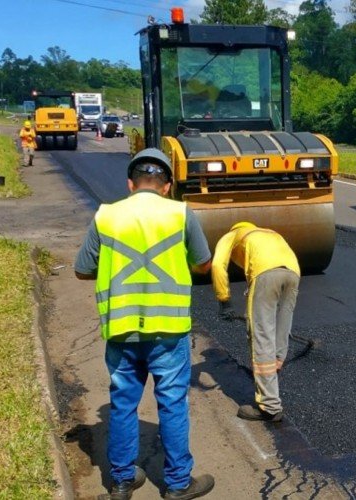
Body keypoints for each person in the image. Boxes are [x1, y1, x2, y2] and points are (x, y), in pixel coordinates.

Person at [74, 148, 215, 500]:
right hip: (168, 330)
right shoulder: (180, 213)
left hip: (122, 331)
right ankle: (179, 483)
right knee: (172, 404)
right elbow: (203, 264)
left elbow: (81, 269)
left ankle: (122, 481)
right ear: (167, 186)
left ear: (130, 184)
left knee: (123, 404)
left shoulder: (107, 216)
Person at [212, 222, 300, 422]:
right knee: (281, 331)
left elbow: (218, 264)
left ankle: (269, 405)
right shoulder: (268, 233)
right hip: (293, 272)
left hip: (265, 273)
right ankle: (273, 374)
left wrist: (224, 300)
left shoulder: (232, 235)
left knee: (261, 335)